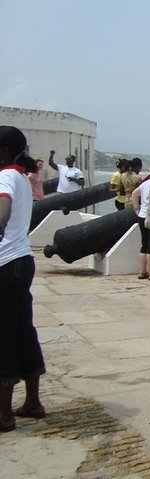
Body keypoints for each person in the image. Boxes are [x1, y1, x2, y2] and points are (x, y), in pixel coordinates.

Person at [0, 126, 46, 432]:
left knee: (3, 336)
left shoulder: (5, 177)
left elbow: (2, 211)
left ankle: (3, 414)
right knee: (22, 330)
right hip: (22, 260)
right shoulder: (20, 177)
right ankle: (32, 401)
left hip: (4, 262)